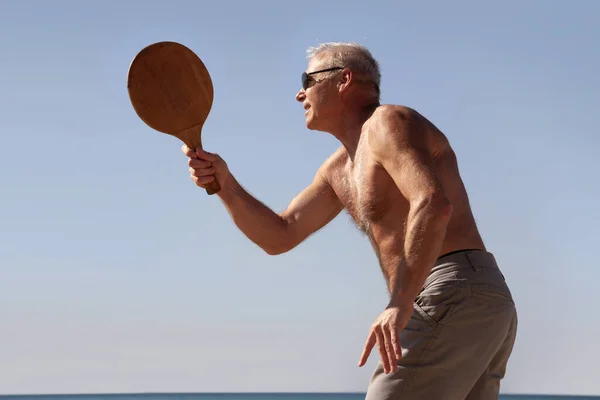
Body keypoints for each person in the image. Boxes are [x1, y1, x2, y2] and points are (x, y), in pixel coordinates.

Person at [183, 42, 518, 399]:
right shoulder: (338, 170)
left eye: (307, 79)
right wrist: (225, 185)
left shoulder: (388, 122)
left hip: (451, 290)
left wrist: (400, 304)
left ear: (344, 79)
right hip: (469, 298)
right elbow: (280, 235)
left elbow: (432, 202)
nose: (300, 94)